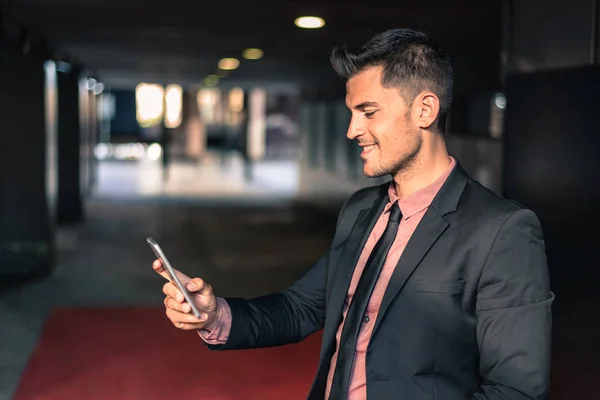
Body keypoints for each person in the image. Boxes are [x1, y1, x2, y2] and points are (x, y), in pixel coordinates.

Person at [153, 28, 553, 400]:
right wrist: (213, 314)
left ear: (425, 110)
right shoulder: (361, 208)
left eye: (368, 111)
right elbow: (302, 307)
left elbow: (514, 390)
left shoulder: (502, 230)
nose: (351, 130)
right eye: (351, 112)